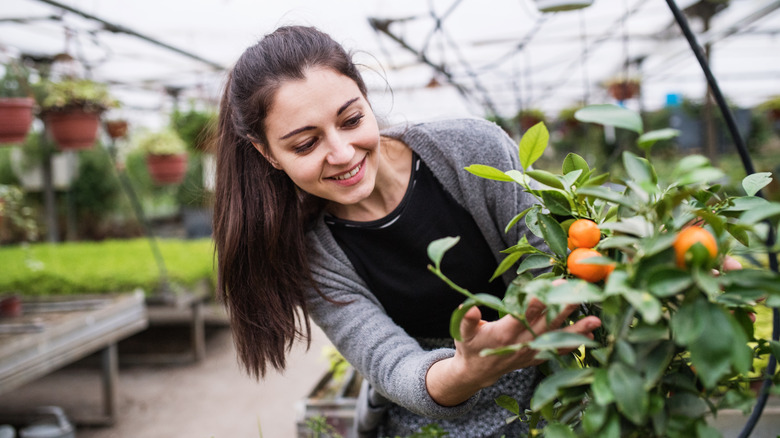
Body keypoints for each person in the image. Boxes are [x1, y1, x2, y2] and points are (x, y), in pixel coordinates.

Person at [213, 25, 601, 437]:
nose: (343, 154)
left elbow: (552, 261)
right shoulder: (313, 253)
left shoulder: (472, 152)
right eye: (306, 144)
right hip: (427, 420)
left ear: (366, 97)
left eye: (352, 119)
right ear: (267, 153)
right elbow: (392, 365)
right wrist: (466, 369)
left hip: (553, 403)